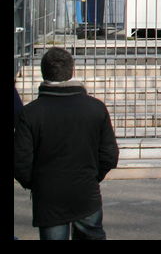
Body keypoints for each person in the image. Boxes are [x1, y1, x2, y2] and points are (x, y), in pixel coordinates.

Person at [14, 47, 119, 240]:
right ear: (72, 71)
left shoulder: (30, 114)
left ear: (43, 72)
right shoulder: (95, 108)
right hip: (86, 191)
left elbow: (20, 161)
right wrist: (92, 176)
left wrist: (36, 182)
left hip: (48, 195)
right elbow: (109, 155)